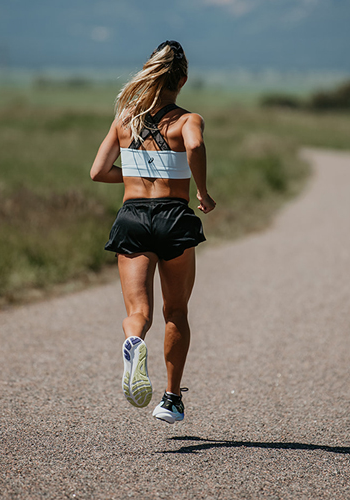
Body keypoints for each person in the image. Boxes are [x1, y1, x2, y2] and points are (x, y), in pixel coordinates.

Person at [90, 40, 215, 424]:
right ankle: (171, 398)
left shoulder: (125, 118)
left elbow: (97, 172)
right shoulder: (187, 119)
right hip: (174, 217)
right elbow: (193, 146)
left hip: (132, 216)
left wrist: (133, 177)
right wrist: (203, 192)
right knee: (176, 310)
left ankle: (133, 342)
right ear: (184, 79)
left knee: (138, 311)